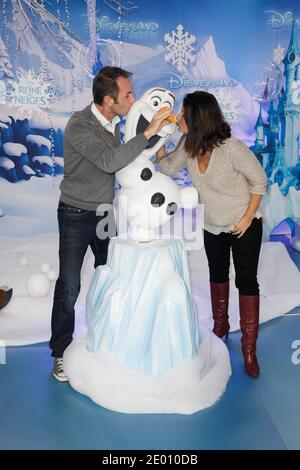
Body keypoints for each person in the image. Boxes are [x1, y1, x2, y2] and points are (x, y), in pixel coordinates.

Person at [50, 66, 172, 381]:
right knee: (69, 286)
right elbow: (109, 162)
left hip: (105, 213)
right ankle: (61, 352)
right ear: (108, 100)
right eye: (128, 94)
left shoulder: (116, 123)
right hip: (75, 215)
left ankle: (109, 339)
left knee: (114, 278)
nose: (133, 99)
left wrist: (158, 139)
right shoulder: (80, 126)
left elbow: (131, 154)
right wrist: (147, 133)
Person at [156, 90, 267, 378]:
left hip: (243, 224)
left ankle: (249, 348)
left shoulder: (231, 148)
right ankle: (221, 327)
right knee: (217, 274)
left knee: (246, 280)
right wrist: (160, 139)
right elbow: (167, 166)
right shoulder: (188, 145)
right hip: (212, 224)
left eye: (183, 114)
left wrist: (246, 218)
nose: (179, 117)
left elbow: (259, 181)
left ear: (197, 118)